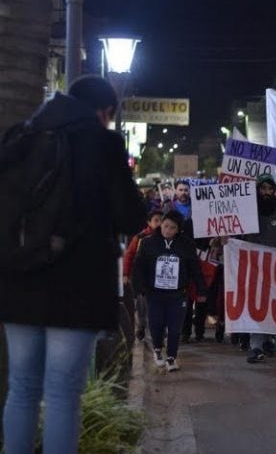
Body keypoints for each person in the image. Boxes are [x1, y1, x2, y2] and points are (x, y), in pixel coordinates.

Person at [0, 75, 146, 453]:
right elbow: (132, 216)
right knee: (63, 392)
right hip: (76, 286)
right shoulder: (101, 142)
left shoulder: (22, 135)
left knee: (22, 387)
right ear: (104, 111)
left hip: (19, 280)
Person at [131, 210, 208, 372]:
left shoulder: (187, 245)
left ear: (178, 229)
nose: (168, 230)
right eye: (165, 226)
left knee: (175, 328)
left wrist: (202, 290)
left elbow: (195, 269)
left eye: (172, 228)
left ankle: (172, 357)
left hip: (178, 294)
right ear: (161, 225)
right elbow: (139, 267)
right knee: (156, 325)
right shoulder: (147, 243)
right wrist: (139, 288)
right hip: (155, 294)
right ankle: (158, 350)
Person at [243, 174, 276, 362]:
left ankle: (268, 340)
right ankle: (255, 346)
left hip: (274, 266)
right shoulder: (248, 209)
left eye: (269, 189)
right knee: (256, 304)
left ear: (274, 191)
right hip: (253, 265)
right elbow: (239, 234)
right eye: (262, 189)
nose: (266, 192)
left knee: (272, 303)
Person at [123, 209, 164, 341]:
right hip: (141, 277)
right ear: (149, 222)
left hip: (159, 276)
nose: (159, 223)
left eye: (161, 220)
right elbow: (129, 256)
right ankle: (141, 325)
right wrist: (125, 274)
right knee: (142, 304)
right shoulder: (140, 237)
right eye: (156, 220)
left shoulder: (167, 237)